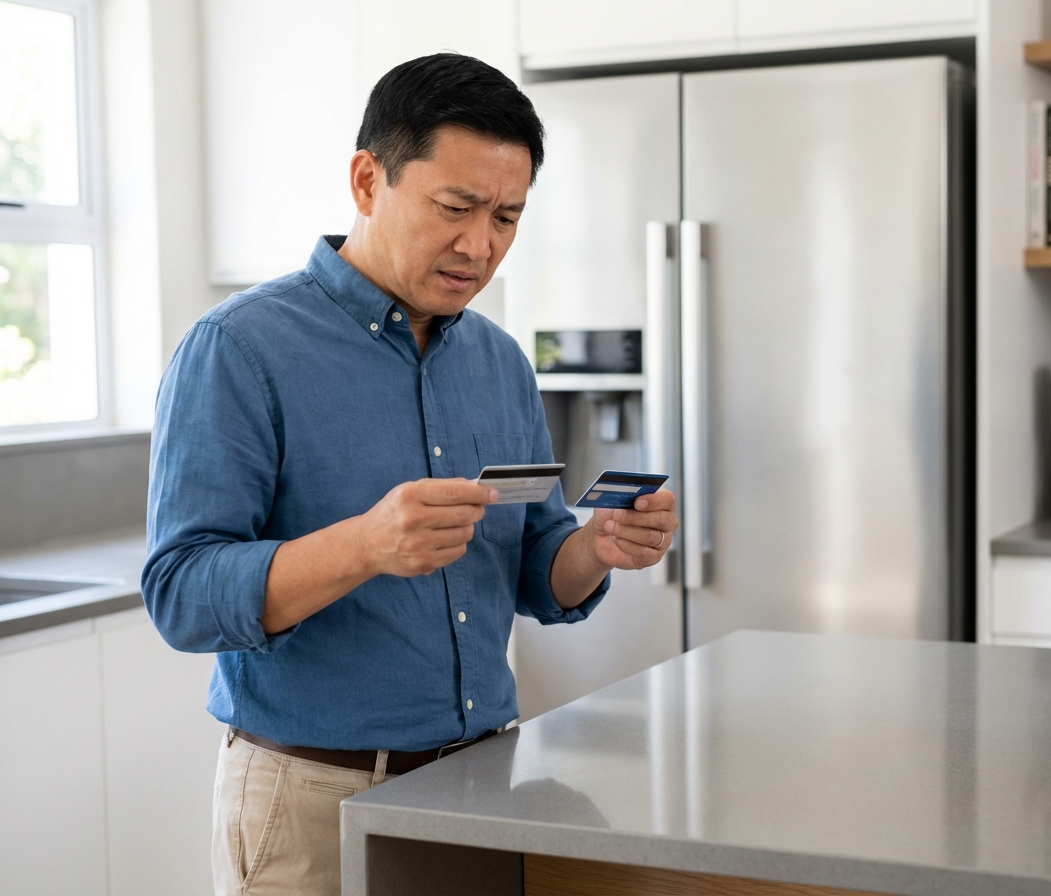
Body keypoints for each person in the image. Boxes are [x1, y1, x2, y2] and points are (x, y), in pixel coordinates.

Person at [142, 53, 677, 896]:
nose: (481, 245)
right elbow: (180, 593)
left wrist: (595, 550)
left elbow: (536, 567)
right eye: (456, 207)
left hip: (481, 786)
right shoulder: (240, 349)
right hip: (314, 801)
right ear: (367, 180)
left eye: (507, 217)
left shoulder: (500, 361)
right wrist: (364, 544)